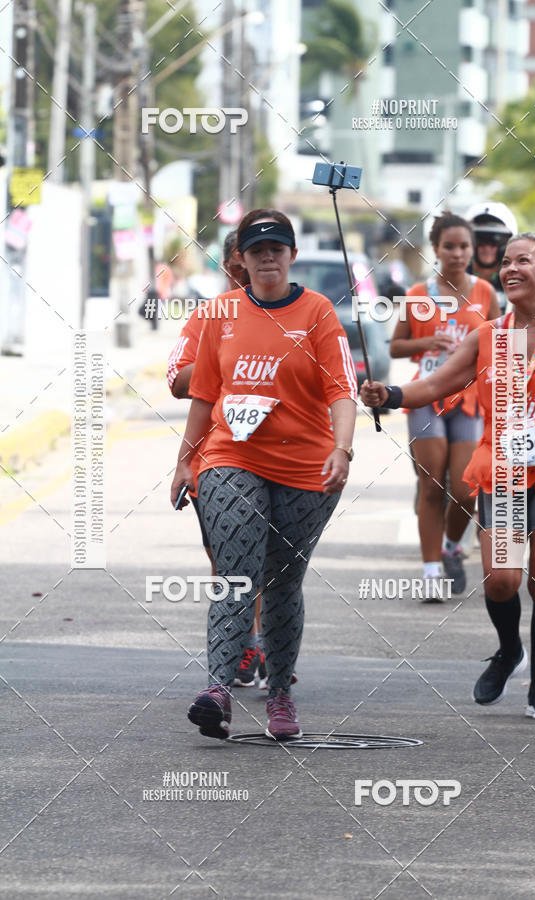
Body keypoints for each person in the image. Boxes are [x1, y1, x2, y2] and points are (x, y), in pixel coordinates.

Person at [361, 232, 535, 719]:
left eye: (523, 261)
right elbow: (434, 383)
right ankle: (510, 650)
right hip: (505, 469)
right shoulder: (491, 335)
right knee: (501, 581)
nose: (510, 269)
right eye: (506, 262)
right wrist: (388, 394)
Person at [170, 208, 357, 740]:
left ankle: (279, 694)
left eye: (277, 248)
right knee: (235, 571)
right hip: (234, 457)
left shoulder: (318, 313)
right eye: (258, 250)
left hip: (306, 465)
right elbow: (204, 396)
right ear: (242, 260)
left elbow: (341, 391)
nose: (268, 257)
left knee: (281, 582)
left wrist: (342, 450)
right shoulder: (220, 314)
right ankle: (218, 690)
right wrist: (185, 460)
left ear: (292, 255)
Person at [167, 232, 266, 688]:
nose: (244, 271)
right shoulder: (211, 315)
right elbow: (177, 379)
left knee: (268, 558)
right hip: (218, 455)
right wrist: (225, 360)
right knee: (227, 555)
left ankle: (265, 645)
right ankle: (242, 644)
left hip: (278, 454)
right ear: (230, 263)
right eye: (237, 262)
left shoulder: (292, 314)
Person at [389, 212, 499, 597]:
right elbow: (396, 345)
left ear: (472, 250)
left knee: (468, 489)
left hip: (469, 400)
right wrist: (427, 344)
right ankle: (432, 571)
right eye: (449, 246)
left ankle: (453, 546)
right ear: (435, 249)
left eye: (464, 246)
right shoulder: (418, 295)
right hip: (426, 398)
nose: (457, 253)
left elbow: (500, 343)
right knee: (432, 485)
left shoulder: (485, 293)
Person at [466, 201, 518, 313]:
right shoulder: (454, 280)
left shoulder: (519, 285)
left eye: (494, 241)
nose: (487, 247)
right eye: (481, 240)